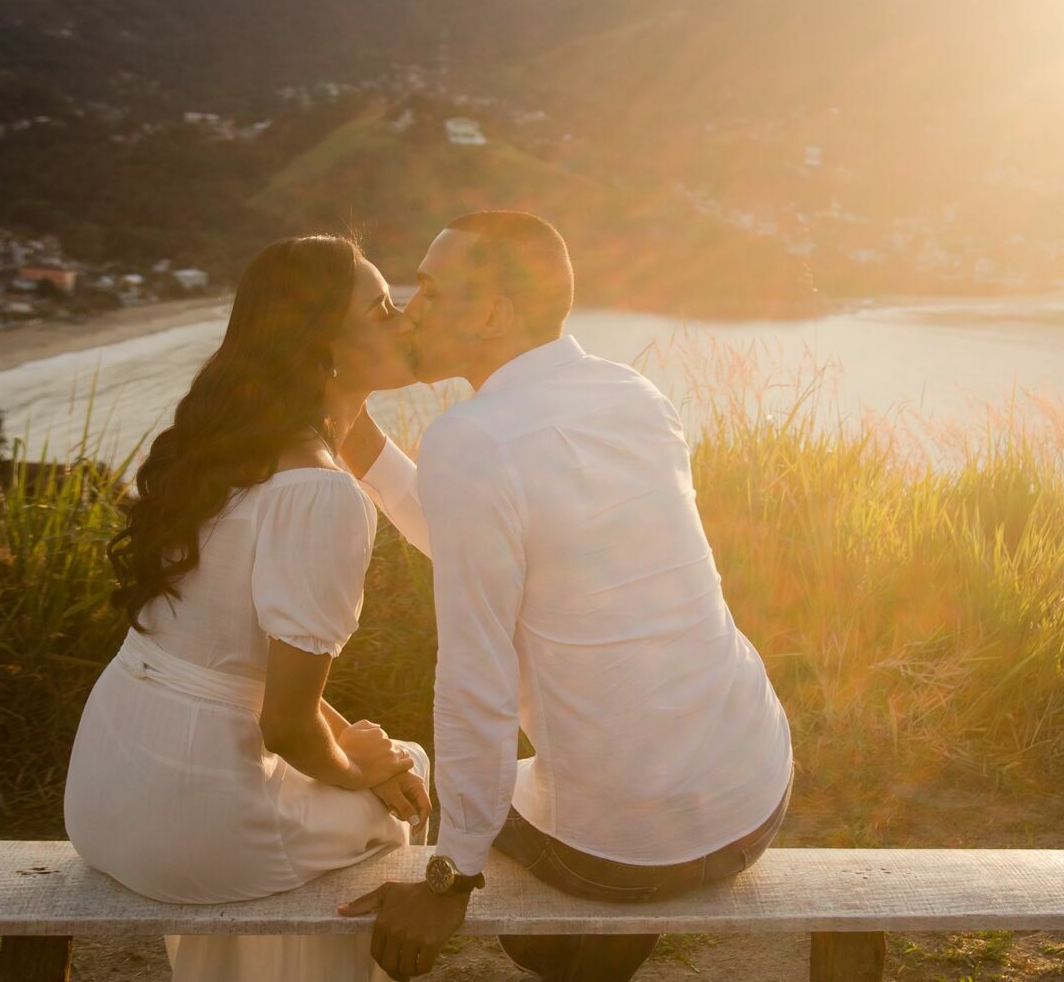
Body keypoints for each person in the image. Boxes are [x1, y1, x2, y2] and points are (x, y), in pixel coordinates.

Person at [337, 211, 793, 982]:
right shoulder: (633, 393)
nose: (412, 310)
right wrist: (362, 443)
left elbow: (475, 682)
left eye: (432, 291)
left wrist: (450, 881)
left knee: (423, 801)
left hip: (623, 853)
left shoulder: (473, 438)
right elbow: (481, 532)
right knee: (581, 813)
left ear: (491, 314)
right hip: (754, 796)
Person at [65, 234, 432, 982]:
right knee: (411, 778)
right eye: (384, 308)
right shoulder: (321, 494)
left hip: (106, 788)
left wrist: (347, 747)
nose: (406, 321)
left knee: (374, 759)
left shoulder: (224, 449)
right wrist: (360, 768)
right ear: (323, 344)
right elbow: (286, 725)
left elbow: (239, 670)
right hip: (189, 820)